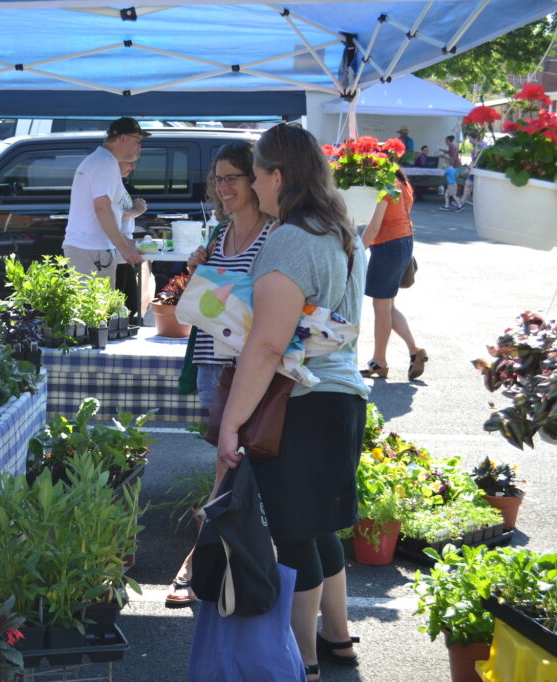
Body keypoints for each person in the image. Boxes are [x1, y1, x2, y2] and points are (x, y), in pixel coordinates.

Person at [216, 124, 367, 681]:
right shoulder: (338, 230)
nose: (254, 186)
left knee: (295, 534)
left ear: (278, 175)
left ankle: (301, 663)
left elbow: (267, 346)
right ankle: (337, 639)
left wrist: (231, 424)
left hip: (300, 405)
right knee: (319, 526)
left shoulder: (289, 239)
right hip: (342, 398)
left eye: (255, 175)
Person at [166, 140, 273, 608]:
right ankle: (221, 556)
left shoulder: (276, 235)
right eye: (218, 179)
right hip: (215, 361)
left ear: (256, 179)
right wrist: (197, 271)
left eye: (232, 177)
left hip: (256, 365)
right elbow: (208, 305)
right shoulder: (220, 236)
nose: (223, 187)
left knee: (247, 463)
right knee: (226, 460)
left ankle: (204, 558)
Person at [358, 168, 428, 382]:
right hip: (403, 242)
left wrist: (357, 253)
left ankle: (379, 361)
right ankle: (414, 350)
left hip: (388, 246)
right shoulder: (403, 184)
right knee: (386, 306)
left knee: (381, 307)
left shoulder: (385, 186)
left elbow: (373, 227)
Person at [62, 117, 148, 284]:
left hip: (90, 249)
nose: (139, 147)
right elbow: (102, 208)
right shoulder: (105, 162)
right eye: (137, 141)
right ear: (123, 138)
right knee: (96, 309)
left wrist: (128, 244)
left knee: (99, 308)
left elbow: (109, 212)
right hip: (90, 250)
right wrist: (124, 248)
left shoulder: (102, 160)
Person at [114, 159, 149, 315]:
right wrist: (137, 210)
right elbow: (111, 217)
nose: (133, 166)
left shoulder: (119, 183)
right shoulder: (110, 185)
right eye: (128, 162)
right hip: (117, 251)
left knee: (131, 305)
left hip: (123, 250)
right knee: (122, 304)